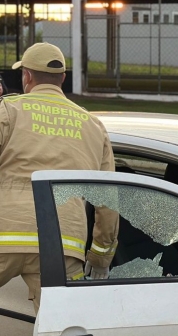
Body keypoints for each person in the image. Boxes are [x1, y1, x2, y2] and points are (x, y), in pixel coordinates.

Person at [0, 42, 119, 312]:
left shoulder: (8, 110)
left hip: (4, 235)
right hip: (62, 244)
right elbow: (107, 199)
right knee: (63, 335)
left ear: (26, 76)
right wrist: (101, 256)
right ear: (63, 79)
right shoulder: (93, 125)